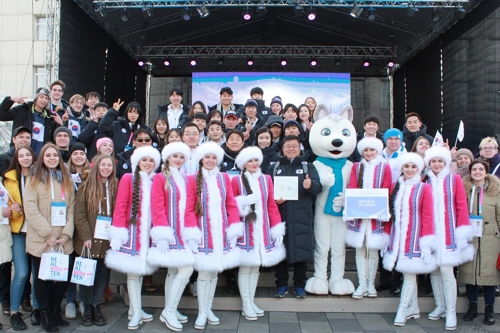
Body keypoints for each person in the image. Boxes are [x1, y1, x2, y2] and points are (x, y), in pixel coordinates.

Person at [184, 142, 242, 330]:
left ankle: (209, 308)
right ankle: (202, 311)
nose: (210, 160)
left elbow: (231, 205)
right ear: (201, 159)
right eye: (207, 157)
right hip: (203, 233)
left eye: (213, 157)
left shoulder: (225, 178)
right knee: (203, 272)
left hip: (221, 233)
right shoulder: (193, 179)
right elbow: (189, 208)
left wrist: (233, 228)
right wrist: (192, 233)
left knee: (215, 271)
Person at [105, 146, 161, 330]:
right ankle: (136, 312)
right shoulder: (128, 178)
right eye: (144, 160)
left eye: (151, 160)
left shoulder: (157, 181)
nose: (147, 163)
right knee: (133, 273)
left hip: (148, 236)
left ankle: (135, 309)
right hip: (131, 235)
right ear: (137, 162)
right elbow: (121, 206)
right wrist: (118, 233)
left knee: (140, 273)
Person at [147, 142, 200, 331]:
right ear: (168, 157)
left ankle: (171, 308)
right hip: (169, 233)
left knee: (174, 271)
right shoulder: (161, 178)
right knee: (185, 270)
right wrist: (161, 234)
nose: (178, 159)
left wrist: (192, 233)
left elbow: (190, 207)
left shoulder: (186, 179)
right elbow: (157, 206)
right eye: (174, 156)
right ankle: (169, 311)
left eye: (181, 157)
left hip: (183, 233)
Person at [24, 143, 75, 333]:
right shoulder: (34, 179)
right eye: (48, 155)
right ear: (42, 158)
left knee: (63, 278)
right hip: (42, 239)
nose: (52, 158)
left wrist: (66, 233)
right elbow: (31, 209)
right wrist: (48, 234)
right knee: (42, 278)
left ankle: (55, 310)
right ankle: (45, 314)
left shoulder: (66, 179)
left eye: (55, 155)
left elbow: (71, 207)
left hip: (63, 239)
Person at [382, 153, 436, 326]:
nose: (410, 170)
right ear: (402, 168)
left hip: (415, 238)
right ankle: (413, 307)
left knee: (410, 274)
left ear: (419, 168)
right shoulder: (395, 186)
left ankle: (403, 309)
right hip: (398, 237)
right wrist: (387, 238)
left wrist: (427, 244)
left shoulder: (424, 188)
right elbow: (390, 214)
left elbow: (428, 216)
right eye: (407, 166)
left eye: (413, 167)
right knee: (407, 273)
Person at [423, 146, 474, 331]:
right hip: (431, 233)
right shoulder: (424, 181)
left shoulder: (454, 180)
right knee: (435, 271)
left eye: (440, 161)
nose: (436, 164)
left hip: (449, 233)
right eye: (433, 161)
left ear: (445, 163)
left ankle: (451, 311)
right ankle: (440, 305)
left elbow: (461, 205)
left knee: (446, 271)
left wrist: (462, 232)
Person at [232, 147, 285, 320]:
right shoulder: (236, 181)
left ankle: (251, 300)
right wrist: (243, 202)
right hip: (245, 231)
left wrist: (276, 228)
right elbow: (230, 206)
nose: (253, 164)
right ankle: (245, 304)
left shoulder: (266, 179)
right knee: (246, 267)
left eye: (256, 160)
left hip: (263, 229)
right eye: (250, 161)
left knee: (255, 269)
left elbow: (271, 205)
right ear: (243, 164)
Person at [266, 135, 321, 298]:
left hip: (301, 215)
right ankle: (281, 284)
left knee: (301, 250)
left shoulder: (308, 167)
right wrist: (275, 199)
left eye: (294, 146)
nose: (291, 149)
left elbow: (318, 187)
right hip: (279, 216)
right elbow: (267, 190)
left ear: (300, 148)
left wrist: (311, 185)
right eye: (287, 146)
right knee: (280, 250)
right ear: (282, 148)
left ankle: (299, 285)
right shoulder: (274, 168)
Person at [73, 155, 118, 327]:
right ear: (97, 166)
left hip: (106, 240)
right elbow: (80, 215)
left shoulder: (115, 186)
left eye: (109, 165)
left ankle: (97, 306)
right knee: (87, 276)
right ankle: (87, 307)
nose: (106, 168)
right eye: (103, 165)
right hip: (88, 241)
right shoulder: (85, 187)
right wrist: (85, 236)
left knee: (101, 276)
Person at [345, 138, 392, 299]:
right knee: (360, 248)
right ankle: (361, 283)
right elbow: (352, 186)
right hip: (359, 213)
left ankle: (371, 283)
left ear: (377, 151)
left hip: (376, 215)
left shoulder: (384, 167)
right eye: (366, 150)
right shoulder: (357, 167)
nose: (369, 153)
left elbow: (387, 188)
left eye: (372, 150)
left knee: (372, 249)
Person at [459, 160, 500, 325]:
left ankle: (489, 308)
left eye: (480, 169)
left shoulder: (495, 192)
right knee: (470, 273)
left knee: (489, 276)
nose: (477, 172)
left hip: (491, 238)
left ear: (486, 171)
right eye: (474, 169)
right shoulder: (465, 190)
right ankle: (473, 306)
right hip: (470, 237)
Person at [3, 146, 39, 330]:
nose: (25, 158)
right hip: (18, 232)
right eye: (21, 155)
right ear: (17, 159)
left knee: (37, 272)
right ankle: (14, 311)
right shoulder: (8, 179)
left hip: (37, 232)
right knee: (22, 272)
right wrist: (12, 210)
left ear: (33, 157)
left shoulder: (41, 176)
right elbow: (5, 208)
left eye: (28, 155)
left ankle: (37, 309)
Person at [0, 88, 63, 155]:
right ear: (36, 98)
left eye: (46, 98)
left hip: (40, 158)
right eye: (41, 97)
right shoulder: (22, 110)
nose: (44, 100)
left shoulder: (50, 117)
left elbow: (56, 137)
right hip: (21, 154)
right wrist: (10, 100)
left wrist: (60, 123)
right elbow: (2, 115)